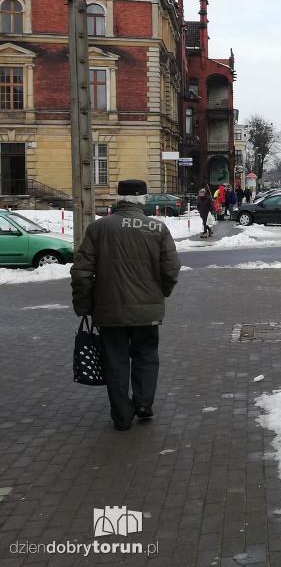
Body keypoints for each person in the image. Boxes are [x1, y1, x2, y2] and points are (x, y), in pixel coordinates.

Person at [70, 179, 181, 431]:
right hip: (146, 310)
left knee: (115, 360)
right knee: (146, 355)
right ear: (143, 199)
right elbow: (172, 268)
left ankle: (121, 415)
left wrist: (84, 306)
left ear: (118, 198)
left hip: (109, 309)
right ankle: (143, 403)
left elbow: (81, 272)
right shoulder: (157, 228)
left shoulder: (99, 228)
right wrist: (161, 291)